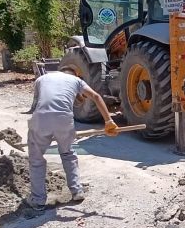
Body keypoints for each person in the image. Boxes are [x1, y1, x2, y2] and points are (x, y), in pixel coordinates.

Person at [25, 57, 118, 208]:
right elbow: (96, 96)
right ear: (75, 74)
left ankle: (38, 200)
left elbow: (37, 103)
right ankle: (77, 191)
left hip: (41, 118)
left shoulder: (42, 79)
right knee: (68, 153)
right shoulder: (76, 81)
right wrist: (109, 121)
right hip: (64, 120)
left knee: (36, 159)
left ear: (61, 71)